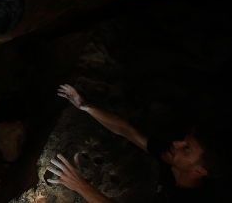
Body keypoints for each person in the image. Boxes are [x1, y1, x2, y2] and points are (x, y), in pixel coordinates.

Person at [47, 83, 221, 202]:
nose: (176, 144)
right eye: (184, 141)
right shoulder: (173, 159)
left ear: (199, 170)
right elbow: (127, 131)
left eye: (187, 149)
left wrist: (79, 185)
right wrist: (85, 105)